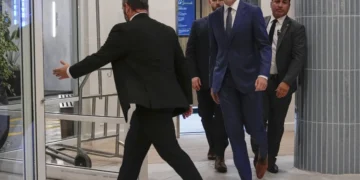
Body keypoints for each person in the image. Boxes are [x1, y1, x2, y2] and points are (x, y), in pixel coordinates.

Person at [52, 0, 202, 179]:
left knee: (171, 153)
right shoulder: (167, 31)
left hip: (150, 107)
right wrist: (186, 102)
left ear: (127, 7)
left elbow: (99, 58)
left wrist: (70, 71)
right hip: (153, 107)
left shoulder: (123, 31)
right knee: (132, 157)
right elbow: (182, 68)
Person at [208, 0, 272, 179]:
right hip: (225, 84)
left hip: (250, 81)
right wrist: (214, 82)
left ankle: (263, 154)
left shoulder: (252, 12)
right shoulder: (214, 17)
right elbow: (214, 52)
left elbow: (264, 46)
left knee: (256, 129)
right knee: (235, 135)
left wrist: (263, 74)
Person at [250, 0, 306, 173]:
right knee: (257, 120)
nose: (280, 5)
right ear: (271, 3)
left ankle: (270, 159)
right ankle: (260, 153)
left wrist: (287, 82)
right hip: (260, 81)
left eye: (284, 2)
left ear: (289, 6)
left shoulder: (296, 28)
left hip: (281, 84)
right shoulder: (262, 23)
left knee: (276, 124)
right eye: (276, 1)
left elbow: (299, 58)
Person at [186, 0, 229, 173]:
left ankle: (220, 156)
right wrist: (194, 75)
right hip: (203, 81)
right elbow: (190, 52)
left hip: (225, 82)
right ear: (210, 2)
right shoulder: (198, 25)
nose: (218, 2)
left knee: (221, 120)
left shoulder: (232, 24)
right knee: (204, 115)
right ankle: (213, 145)